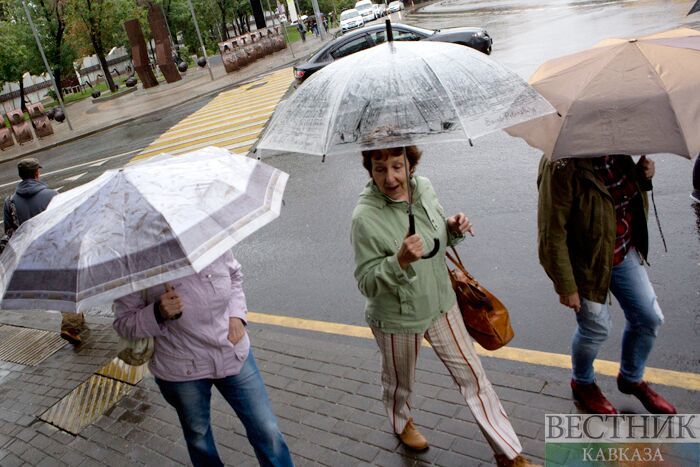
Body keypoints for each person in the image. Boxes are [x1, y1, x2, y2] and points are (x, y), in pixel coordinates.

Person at [351, 145, 539, 467]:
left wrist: (451, 228)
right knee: (399, 383)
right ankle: (401, 421)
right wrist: (399, 261)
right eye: (380, 169)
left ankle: (509, 455)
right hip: (397, 318)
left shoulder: (424, 188)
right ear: (370, 170)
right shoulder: (365, 218)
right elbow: (366, 282)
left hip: (442, 305)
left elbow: (437, 241)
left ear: (410, 164)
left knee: (475, 380)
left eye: (398, 166)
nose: (391, 177)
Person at [113, 251, 294, 467]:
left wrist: (237, 315)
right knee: (199, 437)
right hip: (181, 368)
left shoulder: (206, 237)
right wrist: (157, 313)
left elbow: (234, 275)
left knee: (267, 429)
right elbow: (124, 323)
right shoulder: (134, 259)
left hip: (232, 350)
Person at [537, 154, 676, 415]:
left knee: (649, 318)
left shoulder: (617, 150)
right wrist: (566, 285)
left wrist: (642, 177)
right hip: (586, 265)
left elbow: (621, 199)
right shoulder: (560, 164)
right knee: (596, 328)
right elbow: (551, 232)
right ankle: (583, 382)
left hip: (622, 252)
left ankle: (631, 378)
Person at [2, 159, 85, 345]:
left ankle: (77, 318)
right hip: (57, 248)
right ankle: (70, 326)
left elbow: (10, 232)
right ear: (37, 174)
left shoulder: (10, 202)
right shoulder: (51, 195)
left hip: (33, 255)